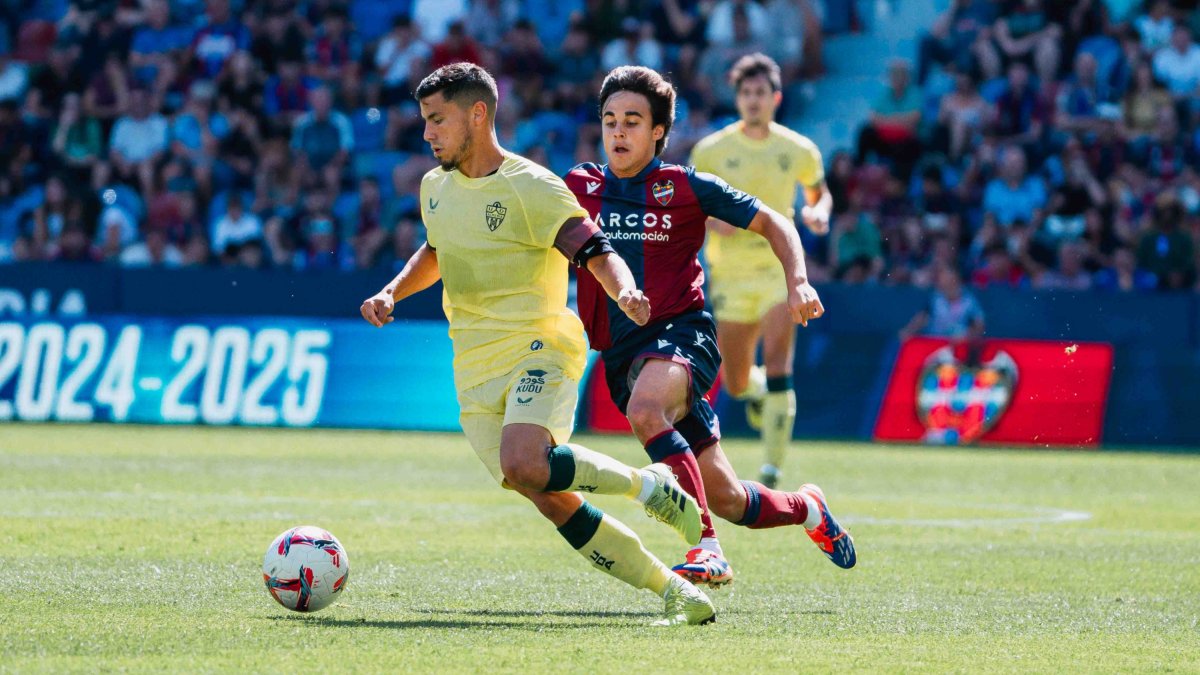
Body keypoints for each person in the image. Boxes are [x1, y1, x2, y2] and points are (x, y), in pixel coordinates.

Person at [359, 63, 716, 626]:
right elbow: (437, 250)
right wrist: (392, 291)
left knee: (524, 460)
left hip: (538, 347)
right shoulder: (435, 188)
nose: (427, 133)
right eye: (425, 121)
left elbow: (594, 249)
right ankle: (674, 590)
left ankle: (649, 486)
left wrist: (624, 291)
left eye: (437, 120)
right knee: (544, 492)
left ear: (478, 115)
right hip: (473, 366)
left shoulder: (533, 186)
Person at [565, 65, 856, 590]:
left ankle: (707, 549)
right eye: (609, 120)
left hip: (683, 334)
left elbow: (774, 220)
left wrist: (798, 282)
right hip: (622, 353)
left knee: (646, 410)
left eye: (632, 121)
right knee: (728, 499)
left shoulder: (685, 185)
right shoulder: (578, 185)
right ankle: (809, 508)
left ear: (658, 131)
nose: (618, 131)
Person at [690, 53, 833, 490]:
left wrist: (818, 213)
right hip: (730, 273)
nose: (753, 100)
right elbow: (691, 204)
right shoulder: (711, 150)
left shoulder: (797, 149)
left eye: (760, 93)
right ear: (737, 98)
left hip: (778, 268)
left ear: (776, 98)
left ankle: (771, 469)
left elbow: (819, 193)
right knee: (735, 382)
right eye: (746, 93)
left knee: (777, 362)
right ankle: (756, 397)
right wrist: (710, 219)